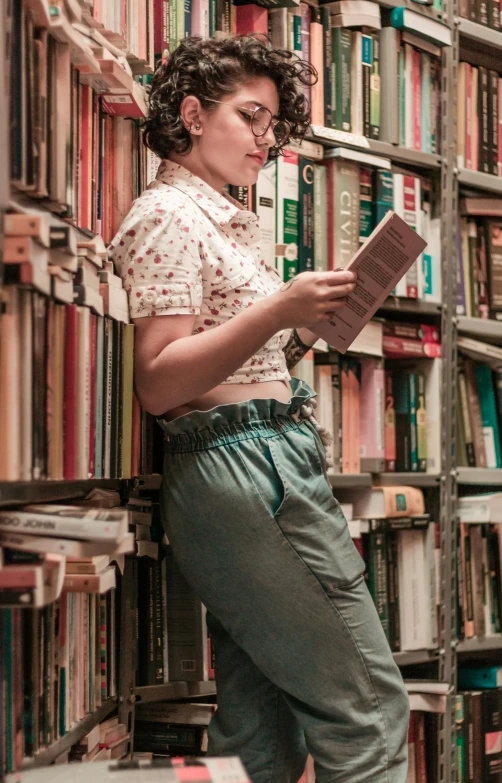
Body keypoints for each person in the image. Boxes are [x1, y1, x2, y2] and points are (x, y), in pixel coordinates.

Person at [108, 35, 410, 783]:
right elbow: (157, 379)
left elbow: (233, 357)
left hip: (260, 456)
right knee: (369, 710)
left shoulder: (220, 222)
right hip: (246, 465)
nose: (266, 140)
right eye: (252, 117)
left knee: (262, 725)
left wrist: (300, 327)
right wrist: (279, 310)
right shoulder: (167, 216)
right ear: (191, 113)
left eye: (273, 126)